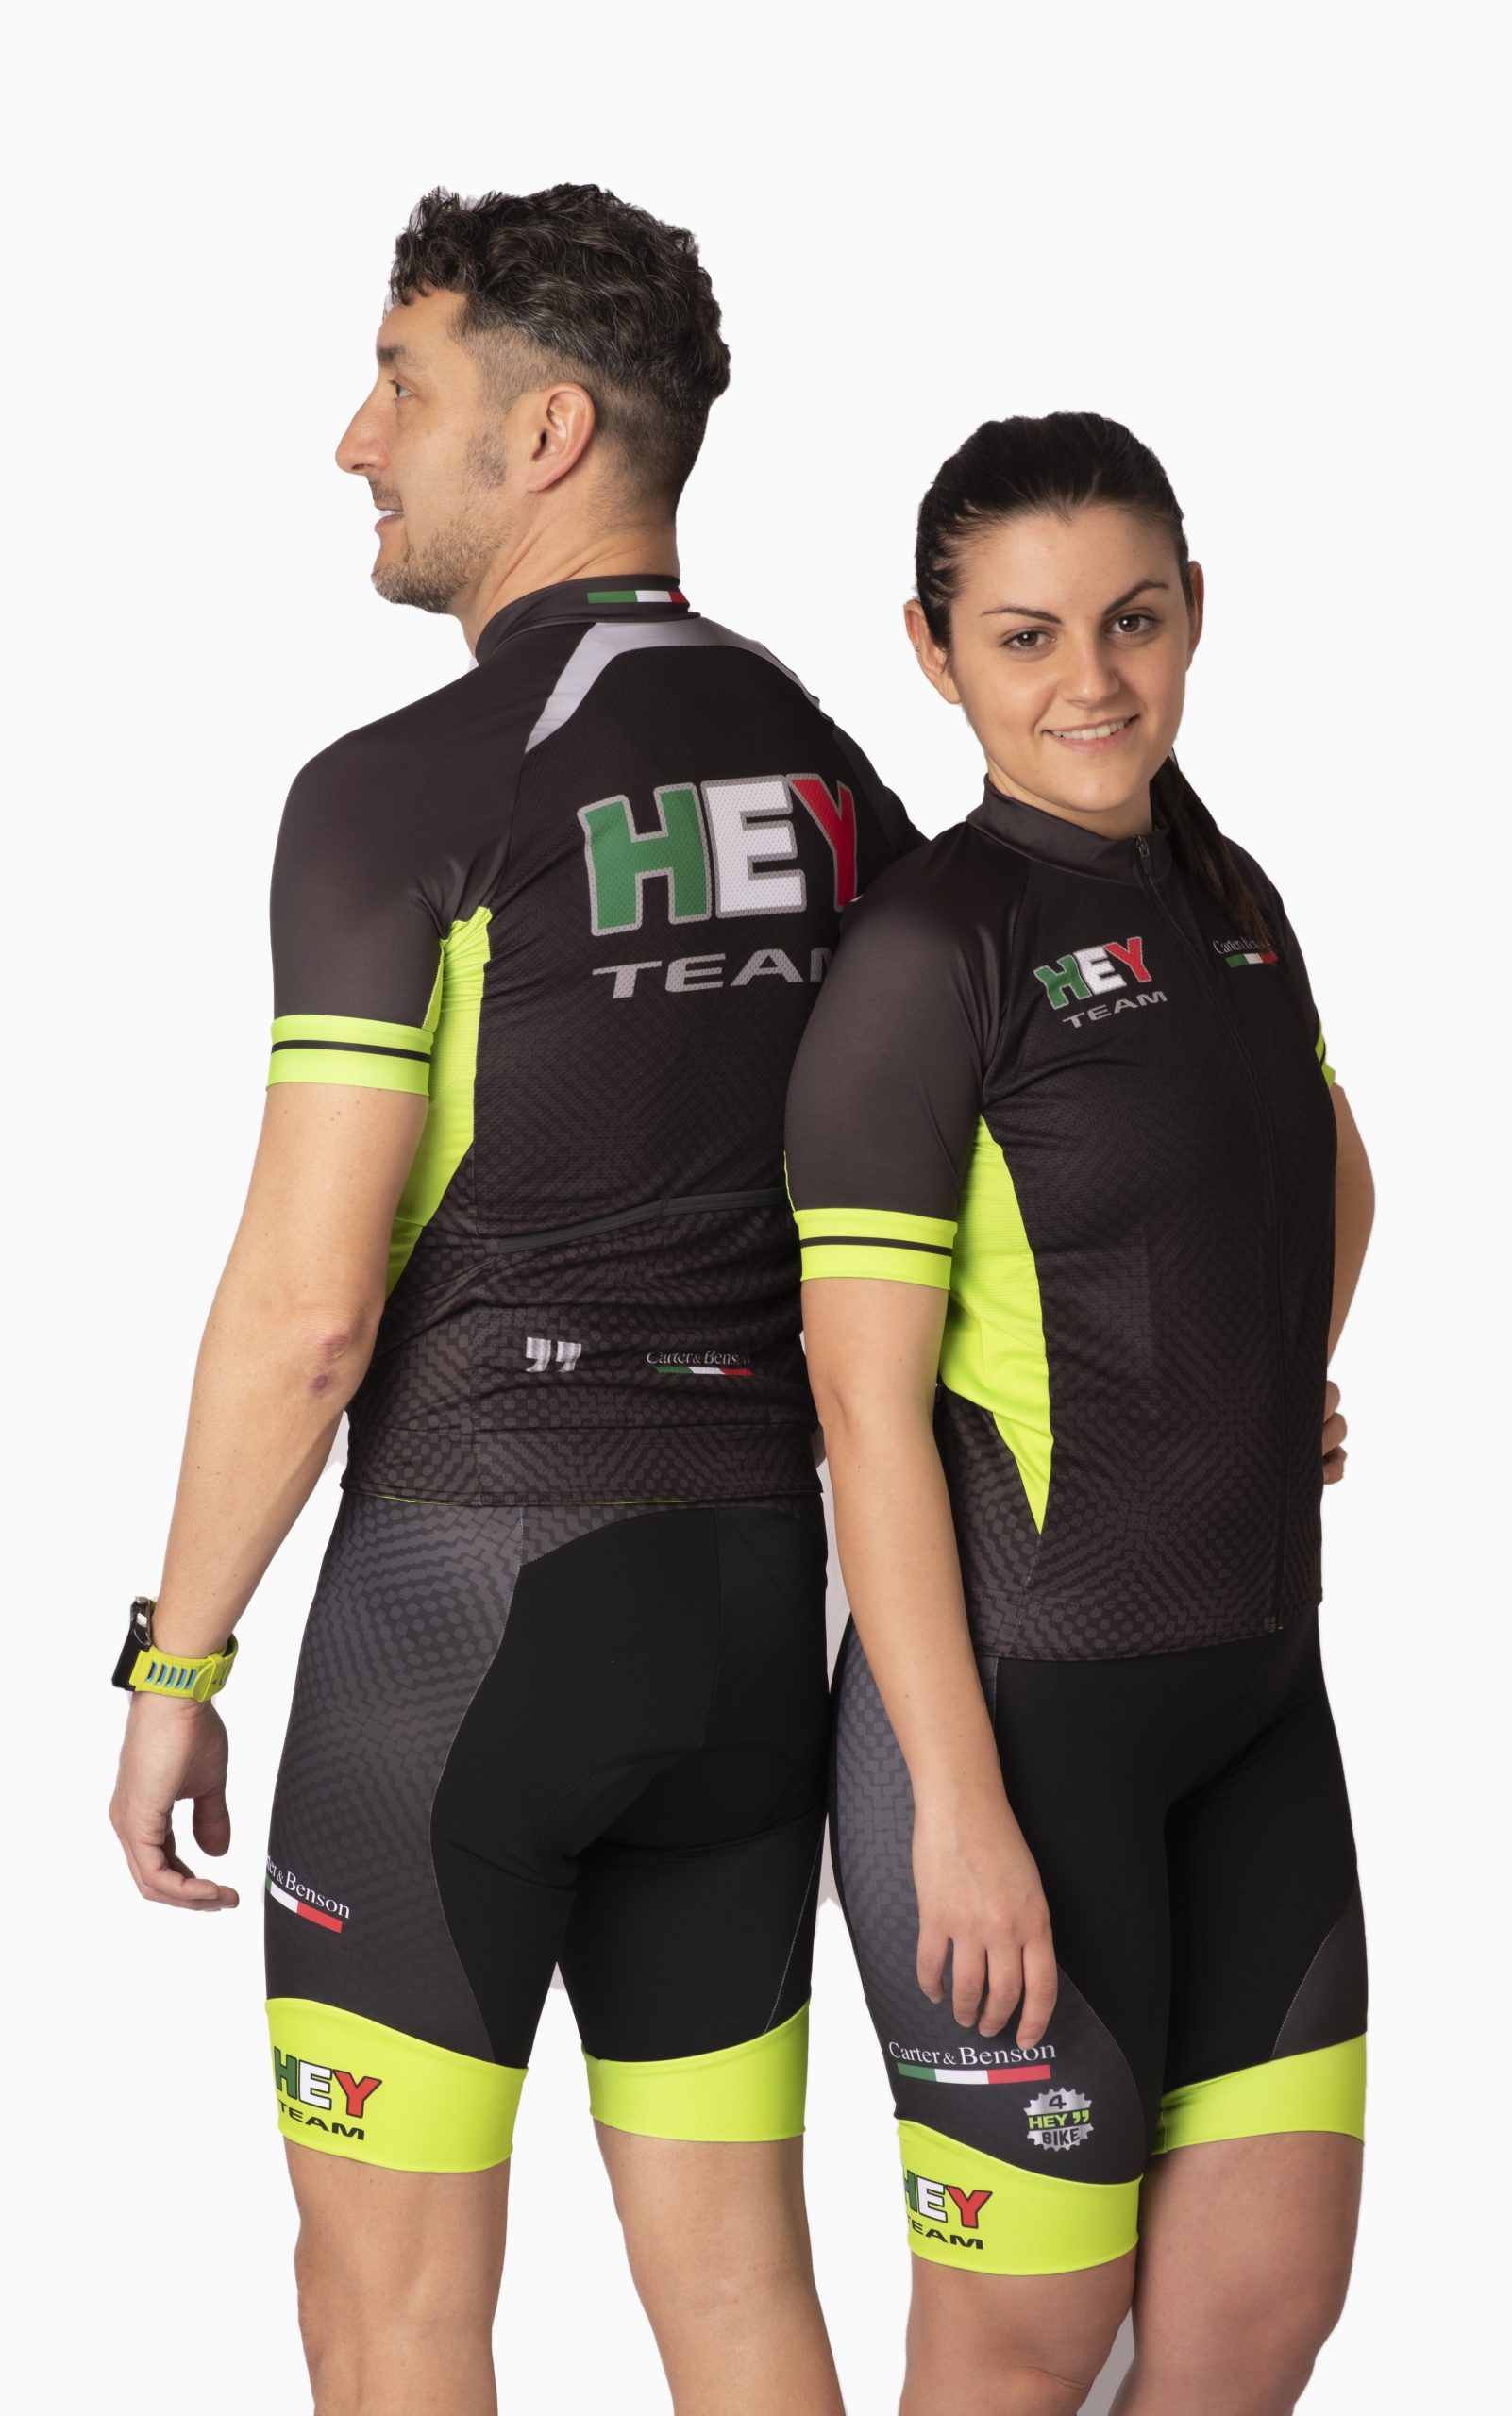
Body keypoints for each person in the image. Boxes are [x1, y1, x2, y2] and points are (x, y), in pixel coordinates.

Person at [108, 183, 914, 2416]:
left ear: (544, 433)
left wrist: (177, 1655)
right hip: (748, 1606)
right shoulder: (841, 778)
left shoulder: (404, 796)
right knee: (739, 2294)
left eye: (402, 384)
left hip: (462, 1618)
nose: (355, 438)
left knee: (388, 2309)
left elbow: (307, 1312)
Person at [785, 411, 1373, 2416]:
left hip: (1254, 1700)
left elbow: (1330, 1169)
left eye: (1131, 619)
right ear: (934, 653)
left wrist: (1264, 1374)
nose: (1091, 680)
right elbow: (863, 1410)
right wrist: (960, 1813)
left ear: (1194, 609)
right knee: (1024, 2345)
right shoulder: (930, 954)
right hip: (1016, 1731)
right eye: (1023, 637)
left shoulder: (1230, 892)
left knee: (1257, 2316)